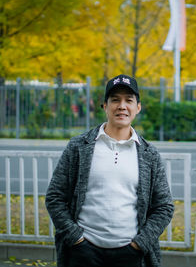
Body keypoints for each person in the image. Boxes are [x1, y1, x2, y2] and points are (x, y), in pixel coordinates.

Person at [45, 74, 174, 267]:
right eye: (115, 100)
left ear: (138, 107)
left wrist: (139, 245)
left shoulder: (149, 154)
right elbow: (55, 197)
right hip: (83, 253)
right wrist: (76, 239)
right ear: (105, 106)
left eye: (128, 100)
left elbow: (164, 207)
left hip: (130, 255)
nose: (122, 106)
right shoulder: (79, 147)